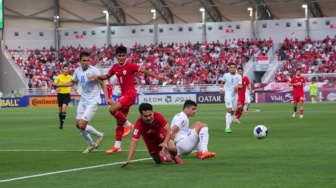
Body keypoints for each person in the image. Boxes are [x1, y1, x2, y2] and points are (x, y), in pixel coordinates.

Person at [91, 46, 166, 154]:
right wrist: (96, 76)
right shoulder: (115, 67)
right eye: (119, 56)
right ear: (116, 57)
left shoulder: (130, 65)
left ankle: (129, 124)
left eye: (123, 55)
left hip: (130, 94)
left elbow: (144, 70)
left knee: (112, 109)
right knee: (119, 122)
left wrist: (157, 76)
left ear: (126, 56)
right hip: (124, 95)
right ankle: (117, 146)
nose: (121, 58)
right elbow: (106, 76)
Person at [53, 51, 111, 153]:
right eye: (84, 60)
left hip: (93, 101)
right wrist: (58, 85)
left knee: (82, 125)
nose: (86, 62)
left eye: (88, 60)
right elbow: (72, 82)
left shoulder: (94, 71)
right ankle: (90, 144)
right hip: (83, 100)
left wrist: (106, 97)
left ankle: (99, 135)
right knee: (77, 124)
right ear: (80, 61)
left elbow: (102, 83)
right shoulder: (77, 71)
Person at [120, 103, 183, 168]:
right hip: (150, 142)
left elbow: (169, 131)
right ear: (141, 116)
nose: (149, 118)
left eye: (150, 115)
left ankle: (174, 156)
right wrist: (128, 160)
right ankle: (165, 158)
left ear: (152, 112)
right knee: (158, 162)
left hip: (161, 135)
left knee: (172, 149)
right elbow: (134, 143)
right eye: (146, 116)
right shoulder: (138, 125)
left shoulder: (158, 116)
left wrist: (165, 142)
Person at [219, 63, 242, 133]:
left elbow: (240, 86)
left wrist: (237, 87)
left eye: (234, 67)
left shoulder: (239, 76)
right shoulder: (226, 75)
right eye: (231, 67)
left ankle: (228, 125)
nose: (233, 68)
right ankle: (227, 127)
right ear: (229, 68)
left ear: (236, 68)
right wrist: (221, 89)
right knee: (229, 110)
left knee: (232, 111)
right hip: (228, 95)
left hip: (235, 96)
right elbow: (222, 83)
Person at [54, 64, 78, 129]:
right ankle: (60, 122)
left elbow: (73, 84)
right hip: (60, 95)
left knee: (64, 108)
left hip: (67, 94)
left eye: (67, 69)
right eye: (65, 69)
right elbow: (55, 85)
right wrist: (56, 88)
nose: (66, 70)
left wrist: (75, 89)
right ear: (62, 70)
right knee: (60, 109)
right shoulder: (58, 77)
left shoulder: (70, 77)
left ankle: (62, 123)